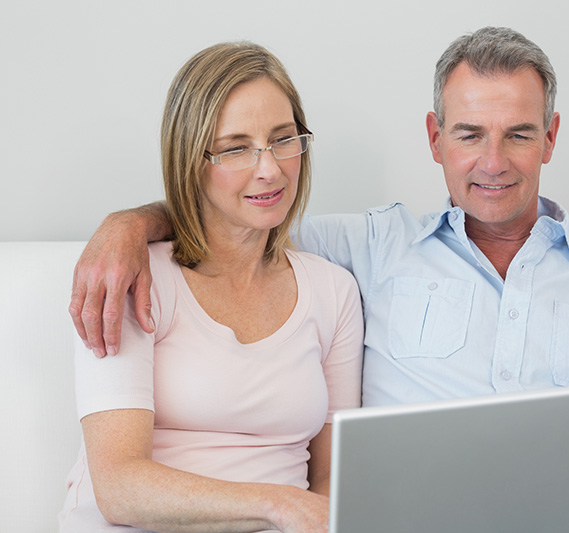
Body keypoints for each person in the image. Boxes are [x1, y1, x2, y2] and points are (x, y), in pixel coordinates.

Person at [68, 28, 569, 532]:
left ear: (549, 138)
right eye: (469, 134)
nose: (493, 162)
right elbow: (241, 215)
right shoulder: (369, 249)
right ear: (435, 138)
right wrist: (128, 224)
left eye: (518, 134)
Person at [58, 41, 364, 532]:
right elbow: (117, 487)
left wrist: (299, 512)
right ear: (190, 160)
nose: (270, 168)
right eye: (235, 148)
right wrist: (277, 503)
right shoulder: (134, 276)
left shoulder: (333, 292)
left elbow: (333, 477)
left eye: (284, 139)